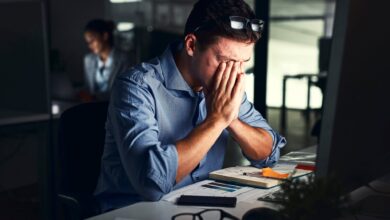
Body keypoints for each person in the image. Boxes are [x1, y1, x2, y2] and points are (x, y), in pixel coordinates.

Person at [95, 0, 286, 212]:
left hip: (198, 208)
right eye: (226, 61)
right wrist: (216, 121)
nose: (236, 73)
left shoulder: (224, 85)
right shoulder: (136, 86)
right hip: (133, 212)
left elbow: (269, 154)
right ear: (191, 45)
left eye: (243, 62)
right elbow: (151, 183)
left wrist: (231, 119)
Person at [83, 19, 132, 100]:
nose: (90, 45)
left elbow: (123, 90)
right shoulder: (88, 60)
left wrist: (94, 96)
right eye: (88, 42)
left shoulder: (124, 59)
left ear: (105, 36)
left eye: (92, 40)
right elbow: (88, 88)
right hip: (91, 107)